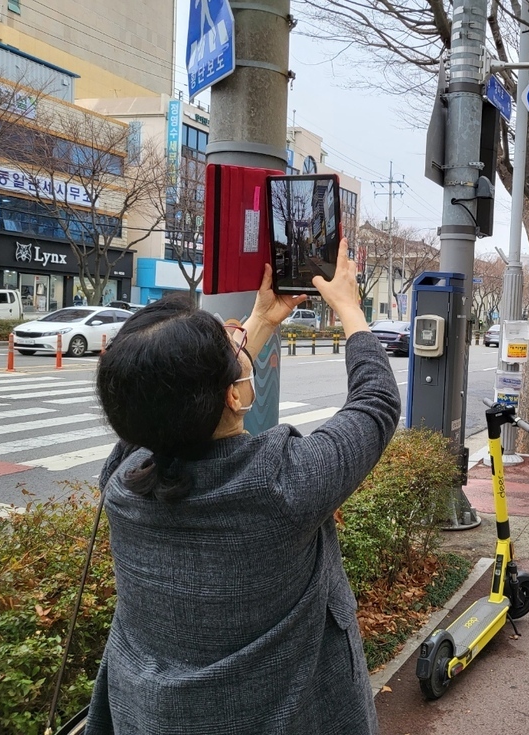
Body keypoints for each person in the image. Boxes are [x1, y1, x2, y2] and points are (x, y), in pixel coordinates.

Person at [85, 240, 400, 734]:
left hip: (150, 718)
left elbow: (172, 396)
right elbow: (376, 403)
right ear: (236, 395)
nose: (238, 338)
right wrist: (350, 311)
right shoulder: (285, 484)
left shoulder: (124, 481)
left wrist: (263, 322)